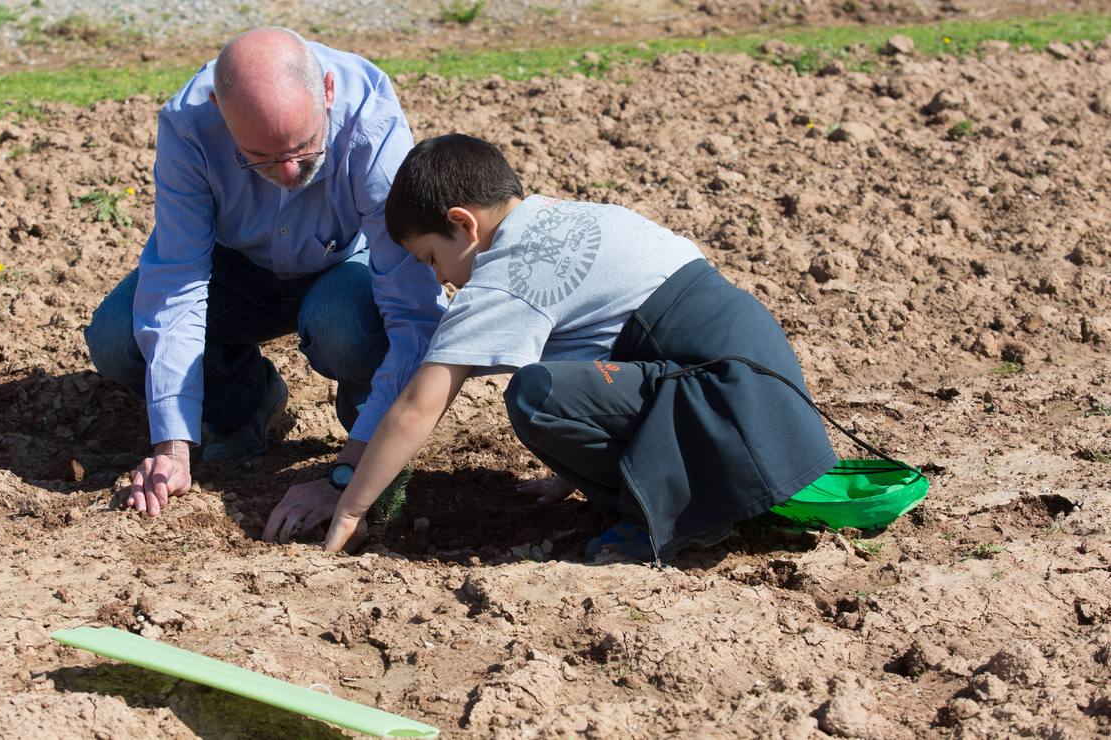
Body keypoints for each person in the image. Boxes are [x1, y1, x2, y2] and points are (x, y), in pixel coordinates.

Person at [321, 133, 837, 561]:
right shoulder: (571, 221)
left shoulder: (510, 272)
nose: (439, 277)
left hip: (727, 408)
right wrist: (572, 473)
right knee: (554, 384)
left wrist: (349, 509)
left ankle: (669, 518)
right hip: (769, 408)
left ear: (463, 224)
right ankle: (676, 493)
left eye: (431, 258)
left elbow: (418, 407)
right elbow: (612, 359)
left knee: (536, 393)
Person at [84, 27, 446, 531]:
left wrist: (351, 476)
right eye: (262, 158)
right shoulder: (189, 123)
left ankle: (372, 437)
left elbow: (410, 305)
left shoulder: (370, 114)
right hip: (237, 268)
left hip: (343, 265)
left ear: (327, 90)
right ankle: (242, 404)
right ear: (219, 109)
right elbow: (177, 281)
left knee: (346, 326)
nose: (291, 169)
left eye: (304, 146)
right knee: (118, 337)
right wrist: (172, 447)